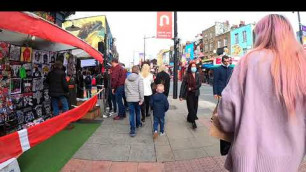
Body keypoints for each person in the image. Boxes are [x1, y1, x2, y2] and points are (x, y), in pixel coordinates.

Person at [217, 14, 306, 172]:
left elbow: (227, 111)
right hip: (291, 158)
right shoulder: (301, 63)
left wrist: (231, 126)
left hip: (250, 157)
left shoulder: (249, 61)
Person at [213, 55, 233, 156]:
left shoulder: (232, 69)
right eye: (225, 61)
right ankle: (220, 118)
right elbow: (215, 81)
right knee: (220, 108)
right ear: (222, 61)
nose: (226, 62)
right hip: (221, 92)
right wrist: (215, 92)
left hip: (230, 92)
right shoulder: (217, 69)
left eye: (227, 61)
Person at [179, 62, 201, 129]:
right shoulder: (186, 75)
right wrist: (181, 95)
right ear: (190, 67)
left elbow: (199, 84)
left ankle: (189, 117)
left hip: (196, 93)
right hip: (189, 94)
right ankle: (193, 122)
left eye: (194, 66)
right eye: (192, 66)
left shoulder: (198, 75)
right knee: (191, 107)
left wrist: (192, 88)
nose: (193, 68)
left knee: (195, 107)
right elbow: (183, 86)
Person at [124, 66, 144, 137]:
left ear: (132, 70)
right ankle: (138, 124)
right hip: (137, 99)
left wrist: (127, 97)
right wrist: (142, 99)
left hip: (129, 99)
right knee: (138, 111)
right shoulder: (139, 78)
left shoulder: (126, 79)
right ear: (138, 71)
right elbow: (141, 90)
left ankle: (132, 130)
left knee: (131, 114)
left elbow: (125, 90)